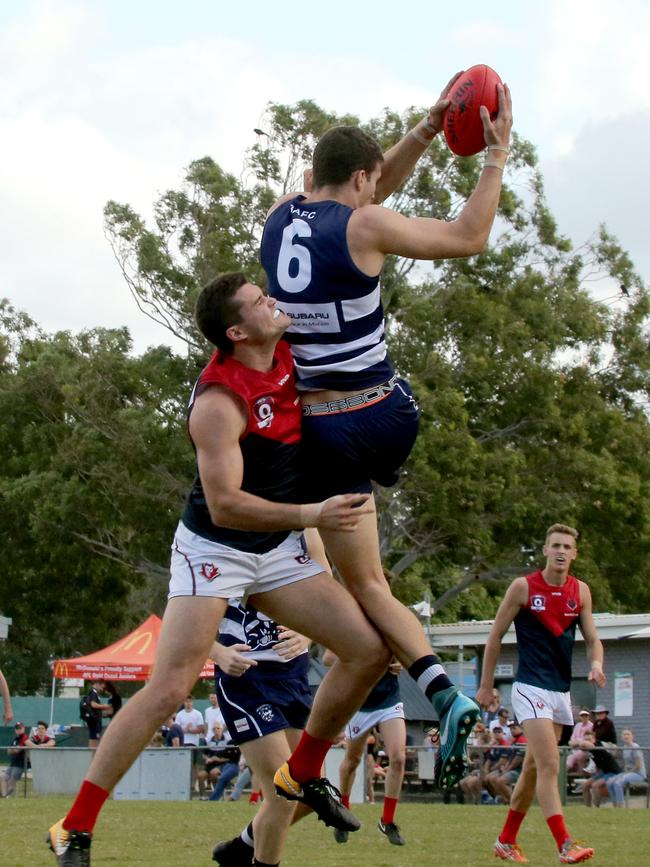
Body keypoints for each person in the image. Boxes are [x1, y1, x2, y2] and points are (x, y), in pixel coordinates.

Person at [48, 272, 391, 866]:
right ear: (237, 331)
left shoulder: (286, 346)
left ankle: (303, 772)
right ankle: (73, 827)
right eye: (261, 302)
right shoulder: (217, 401)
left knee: (368, 650)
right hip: (216, 551)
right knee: (170, 689)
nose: (274, 302)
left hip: (277, 549)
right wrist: (315, 513)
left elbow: (318, 223)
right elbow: (228, 503)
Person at [261, 75, 513, 790]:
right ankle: (444, 690)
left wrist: (425, 132)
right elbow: (470, 236)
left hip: (318, 429)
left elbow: (357, 192)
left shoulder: (280, 217)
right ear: (365, 180)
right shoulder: (365, 225)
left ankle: (427, 695)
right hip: (381, 414)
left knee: (365, 580)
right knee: (368, 578)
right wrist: (494, 155)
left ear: (312, 175)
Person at [476, 523, 606, 864]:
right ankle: (565, 843)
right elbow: (494, 638)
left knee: (534, 769)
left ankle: (505, 840)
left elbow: (593, 638)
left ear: (574, 554)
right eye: (556, 545)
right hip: (528, 687)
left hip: (559, 693)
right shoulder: (523, 587)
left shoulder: (581, 592)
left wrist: (596, 664)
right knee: (550, 764)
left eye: (567, 546)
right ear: (545, 550)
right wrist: (487, 685)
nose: (561, 551)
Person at [211, 595, 315, 867]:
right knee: (284, 793)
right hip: (246, 679)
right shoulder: (218, 555)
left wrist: (306, 635)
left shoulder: (307, 551)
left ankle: (241, 845)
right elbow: (182, 625)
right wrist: (218, 652)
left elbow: (322, 604)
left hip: (293, 678)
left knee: (311, 793)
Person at [322, 649, 407, 846]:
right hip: (359, 703)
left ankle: (387, 821)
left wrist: (401, 662)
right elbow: (328, 658)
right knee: (352, 761)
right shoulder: (351, 622)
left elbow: (408, 651)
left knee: (398, 758)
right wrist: (367, 655)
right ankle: (343, 811)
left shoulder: (390, 624)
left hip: (389, 700)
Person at [579, 731, 622, 807]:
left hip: (613, 772)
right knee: (585, 786)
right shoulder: (588, 749)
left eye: (589, 739)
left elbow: (586, 745)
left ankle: (596, 807)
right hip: (603, 771)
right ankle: (588, 807)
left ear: (594, 739)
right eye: (586, 739)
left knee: (595, 785)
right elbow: (574, 745)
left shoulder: (597, 745)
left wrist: (582, 742)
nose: (587, 741)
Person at [606, 728, 647, 807]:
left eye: (628, 734)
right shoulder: (624, 748)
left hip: (638, 774)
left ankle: (620, 806)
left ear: (632, 736)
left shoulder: (635, 747)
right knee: (610, 782)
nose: (626, 736)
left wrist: (626, 774)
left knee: (618, 783)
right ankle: (615, 805)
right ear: (622, 737)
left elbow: (638, 765)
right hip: (629, 773)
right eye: (624, 734)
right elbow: (625, 763)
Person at [0, 721, 29, 797]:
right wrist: (14, 749)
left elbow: (17, 750)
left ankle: (5, 796)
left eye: (20, 728)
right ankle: (4, 796)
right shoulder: (16, 739)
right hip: (13, 763)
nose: (18, 730)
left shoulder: (25, 737)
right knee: (2, 778)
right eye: (17, 728)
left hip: (20, 764)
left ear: (23, 728)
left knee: (11, 781)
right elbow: (8, 751)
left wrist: (13, 749)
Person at [84, 680, 111, 748]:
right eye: (102, 687)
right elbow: (93, 705)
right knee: (94, 737)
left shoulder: (93, 693)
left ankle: (93, 750)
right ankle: (92, 751)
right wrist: (105, 706)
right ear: (97, 684)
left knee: (94, 736)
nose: (102, 689)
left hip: (94, 719)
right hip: (93, 720)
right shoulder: (93, 693)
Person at [566, 709, 593, 774]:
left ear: (588, 717)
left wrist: (578, 742)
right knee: (568, 762)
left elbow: (588, 740)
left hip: (586, 750)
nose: (584, 717)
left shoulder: (591, 725)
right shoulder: (578, 725)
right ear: (580, 717)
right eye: (582, 716)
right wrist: (577, 742)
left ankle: (580, 775)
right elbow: (572, 740)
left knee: (579, 756)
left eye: (586, 716)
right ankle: (562, 778)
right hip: (574, 749)